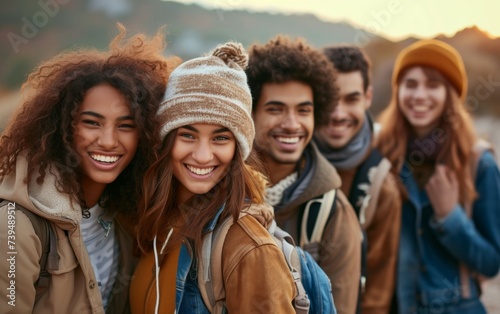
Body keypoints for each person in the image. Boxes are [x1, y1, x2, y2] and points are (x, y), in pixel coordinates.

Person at [0, 24, 176, 313]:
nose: (108, 141)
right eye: (91, 123)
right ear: (62, 128)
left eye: (126, 126)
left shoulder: (127, 216)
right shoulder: (15, 226)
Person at [130, 42, 296, 314]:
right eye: (188, 135)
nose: (203, 155)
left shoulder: (249, 248)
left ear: (237, 148)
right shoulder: (154, 222)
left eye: (220, 138)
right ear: (166, 139)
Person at [376, 39, 500, 314]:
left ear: (450, 94)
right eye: (410, 84)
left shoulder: (479, 163)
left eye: (433, 85)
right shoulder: (380, 154)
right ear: (398, 92)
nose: (419, 95)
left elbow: (490, 263)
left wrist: (450, 217)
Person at [246, 35, 362, 314]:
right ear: (249, 113)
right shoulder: (217, 191)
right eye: (275, 109)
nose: (292, 124)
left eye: (303, 110)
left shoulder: (332, 213)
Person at [315, 45, 401, 314]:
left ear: (368, 98)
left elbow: (377, 293)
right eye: (328, 99)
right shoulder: (284, 158)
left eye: (351, 99)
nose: (338, 114)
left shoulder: (380, 185)